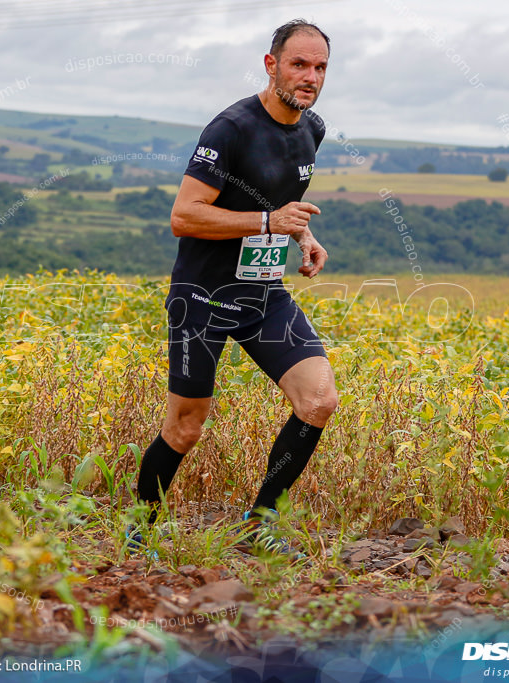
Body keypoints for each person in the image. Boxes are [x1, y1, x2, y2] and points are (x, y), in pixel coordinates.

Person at [130, 19, 339, 557]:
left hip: (263, 293)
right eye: (299, 64)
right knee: (185, 428)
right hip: (203, 296)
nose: (310, 76)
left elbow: (277, 203)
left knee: (318, 400)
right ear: (271, 65)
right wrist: (271, 222)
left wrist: (302, 234)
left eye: (319, 67)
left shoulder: (311, 128)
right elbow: (184, 216)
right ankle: (140, 530)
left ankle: (261, 521)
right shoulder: (230, 129)